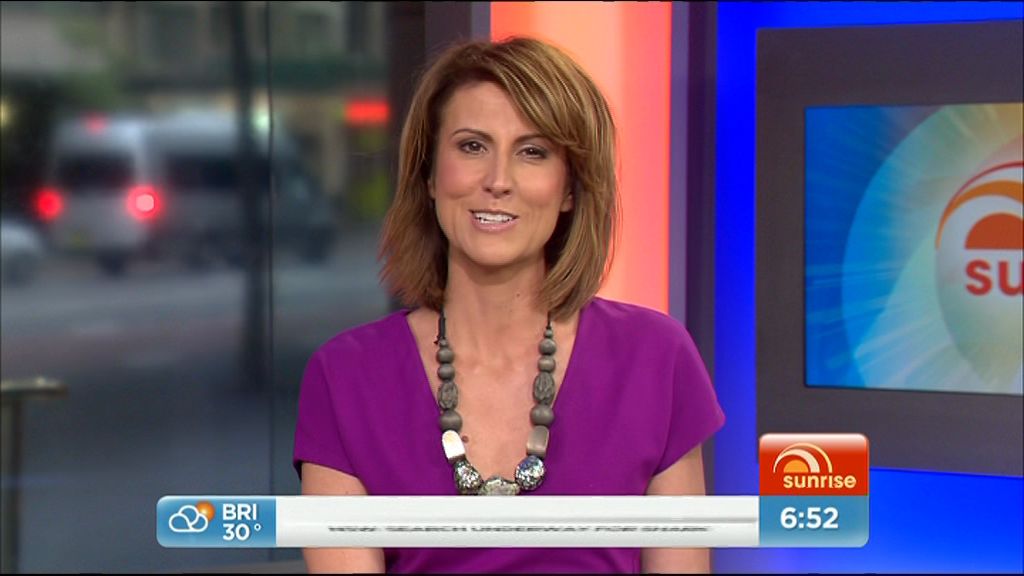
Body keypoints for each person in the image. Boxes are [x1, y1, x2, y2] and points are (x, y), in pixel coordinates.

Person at [293, 36, 725, 574]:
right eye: (472, 146)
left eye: (533, 152)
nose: (498, 181)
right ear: (430, 176)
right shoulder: (346, 376)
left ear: (570, 188)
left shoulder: (656, 358)